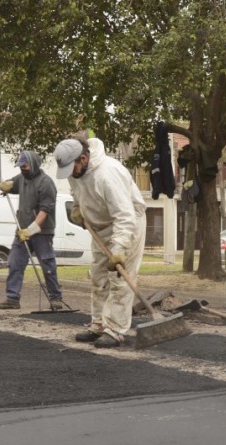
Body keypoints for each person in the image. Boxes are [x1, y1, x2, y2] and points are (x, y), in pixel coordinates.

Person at [52, 137, 146, 348]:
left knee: (120, 280)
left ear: (84, 158)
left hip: (127, 225)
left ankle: (115, 330)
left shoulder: (108, 174)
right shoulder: (75, 172)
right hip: (100, 228)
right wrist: (77, 206)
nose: (70, 173)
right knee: (98, 276)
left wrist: (119, 248)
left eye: (72, 168)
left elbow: (125, 216)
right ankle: (99, 324)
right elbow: (76, 190)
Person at [0, 151, 64, 310]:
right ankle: (12, 299)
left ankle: (55, 298)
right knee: (14, 262)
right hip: (22, 230)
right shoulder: (22, 178)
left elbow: (45, 211)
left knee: (47, 265)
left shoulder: (46, 183)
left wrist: (31, 230)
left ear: (34, 164)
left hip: (42, 231)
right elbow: (11, 184)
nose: (22, 169)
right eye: (20, 166)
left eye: (25, 166)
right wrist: (6, 185)